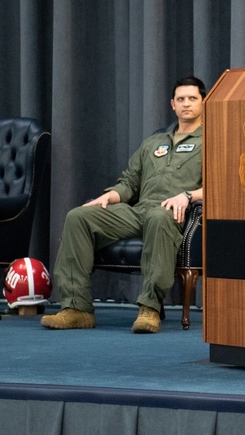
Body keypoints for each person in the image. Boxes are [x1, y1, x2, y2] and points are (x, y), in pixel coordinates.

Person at [41, 76, 206, 333]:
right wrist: (109, 196)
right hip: (138, 212)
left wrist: (188, 195)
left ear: (204, 103)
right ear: (172, 104)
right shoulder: (153, 143)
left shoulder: (211, 141)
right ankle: (77, 308)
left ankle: (149, 309)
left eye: (193, 98)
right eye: (181, 99)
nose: (186, 104)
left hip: (172, 214)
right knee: (78, 216)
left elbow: (218, 187)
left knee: (159, 217)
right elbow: (129, 183)